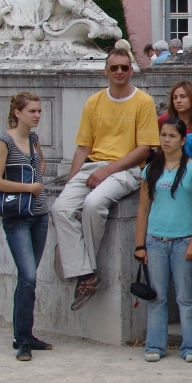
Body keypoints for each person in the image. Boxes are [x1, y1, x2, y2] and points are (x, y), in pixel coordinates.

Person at [53, 49, 159, 310]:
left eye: (124, 67)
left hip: (127, 169)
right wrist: (71, 181)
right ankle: (86, 274)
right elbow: (83, 147)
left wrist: (107, 170)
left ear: (131, 70)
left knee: (93, 204)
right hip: (93, 165)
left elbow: (144, 149)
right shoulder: (94, 102)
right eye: (114, 68)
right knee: (60, 208)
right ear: (106, 71)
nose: (119, 72)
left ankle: (82, 271)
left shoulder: (143, 101)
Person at [134, 118, 192, 363]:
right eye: (163, 135)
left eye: (172, 136)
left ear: (183, 140)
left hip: (184, 240)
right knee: (157, 297)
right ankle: (154, 345)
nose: (166, 140)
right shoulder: (150, 169)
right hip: (155, 240)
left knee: (186, 297)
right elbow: (143, 209)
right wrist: (140, 245)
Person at [0, 92, 51, 361]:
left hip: (39, 214)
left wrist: (36, 179)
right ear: (18, 113)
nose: (37, 115)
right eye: (32, 111)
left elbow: (41, 164)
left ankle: (24, 334)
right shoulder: (4, 141)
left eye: (39, 111)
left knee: (30, 278)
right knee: (27, 276)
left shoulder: (34, 139)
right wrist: (28, 187)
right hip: (17, 216)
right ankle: (23, 340)